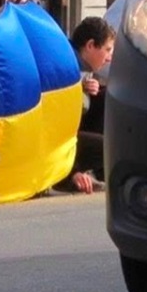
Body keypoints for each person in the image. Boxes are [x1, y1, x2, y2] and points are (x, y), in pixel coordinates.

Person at [63, 17, 117, 195]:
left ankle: (98, 172)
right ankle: (72, 174)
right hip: (63, 139)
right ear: (91, 45)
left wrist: (90, 91)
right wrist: (73, 171)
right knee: (109, 148)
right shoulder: (68, 69)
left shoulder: (83, 72)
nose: (109, 58)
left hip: (73, 131)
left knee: (107, 97)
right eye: (107, 50)